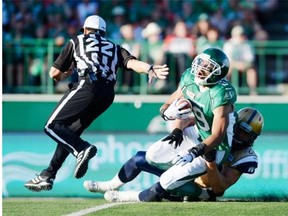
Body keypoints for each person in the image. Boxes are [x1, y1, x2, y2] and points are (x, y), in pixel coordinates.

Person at [24, 15, 169, 192]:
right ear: (103, 33)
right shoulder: (114, 47)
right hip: (107, 94)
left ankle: (81, 149)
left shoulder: (77, 40)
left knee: (51, 126)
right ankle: (49, 174)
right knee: (69, 133)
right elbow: (132, 63)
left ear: (85, 30)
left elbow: (54, 73)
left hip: (87, 85)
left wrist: (66, 74)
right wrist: (150, 68)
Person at [84, 47, 237, 201]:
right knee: (152, 155)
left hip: (215, 148)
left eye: (207, 67)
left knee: (167, 180)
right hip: (197, 133)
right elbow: (174, 100)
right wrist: (169, 118)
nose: (200, 68)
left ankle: (126, 197)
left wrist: (194, 152)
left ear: (218, 72)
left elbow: (218, 135)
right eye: (200, 63)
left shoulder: (221, 93)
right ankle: (114, 184)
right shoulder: (190, 78)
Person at [83, 107, 263, 202]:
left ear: (253, 137)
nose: (239, 136)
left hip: (202, 190)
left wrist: (211, 162)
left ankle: (124, 197)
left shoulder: (245, 157)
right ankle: (110, 185)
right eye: (239, 130)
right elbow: (186, 118)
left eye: (246, 134)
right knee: (140, 158)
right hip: (191, 165)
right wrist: (177, 130)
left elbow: (219, 188)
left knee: (163, 186)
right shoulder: (222, 126)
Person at [223, 25, 258, 95]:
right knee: (227, 70)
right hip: (232, 66)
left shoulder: (247, 44)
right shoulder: (228, 44)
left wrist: (243, 65)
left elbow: (250, 59)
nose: (242, 36)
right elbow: (227, 60)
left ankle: (253, 91)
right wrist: (236, 64)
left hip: (244, 66)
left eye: (242, 34)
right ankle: (224, 91)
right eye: (239, 35)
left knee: (252, 71)